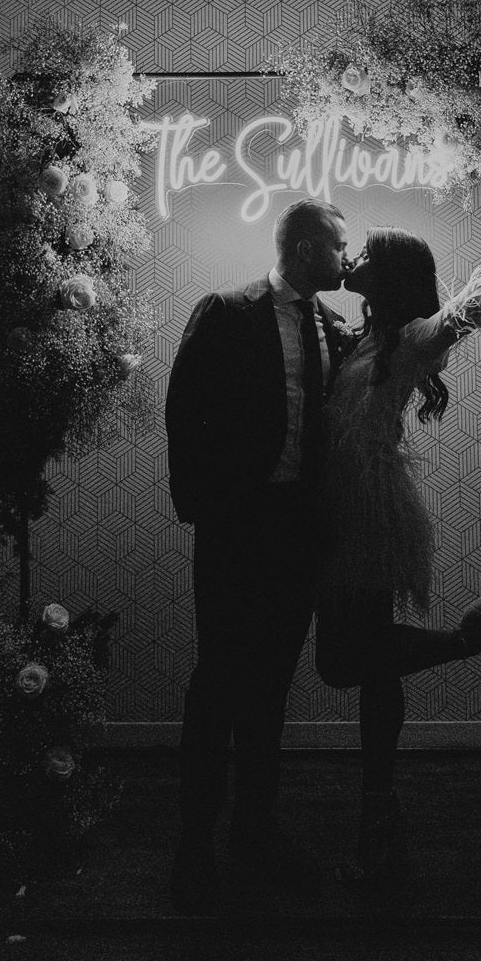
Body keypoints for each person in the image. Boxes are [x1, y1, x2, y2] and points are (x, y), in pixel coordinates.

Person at [314, 219, 481, 884]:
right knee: (371, 661)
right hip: (348, 510)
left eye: (367, 253)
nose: (353, 258)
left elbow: (475, 301)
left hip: (368, 513)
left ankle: (463, 639)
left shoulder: (417, 336)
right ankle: (377, 808)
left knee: (342, 662)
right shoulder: (366, 336)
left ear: (389, 275)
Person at [165, 197, 351, 915]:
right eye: (339, 246)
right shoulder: (225, 311)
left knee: (271, 687)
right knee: (216, 687)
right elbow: (186, 412)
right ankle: (193, 849)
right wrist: (208, 513)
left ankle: (255, 834)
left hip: (298, 532)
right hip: (236, 530)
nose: (348, 258)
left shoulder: (333, 327)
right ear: (305, 249)